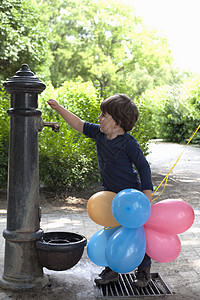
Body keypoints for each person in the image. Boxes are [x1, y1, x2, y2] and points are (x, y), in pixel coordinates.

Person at [47, 94, 153, 287]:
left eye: (104, 115)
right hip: (110, 197)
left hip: (131, 200)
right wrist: (59, 108)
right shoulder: (99, 134)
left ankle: (143, 270)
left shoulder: (128, 143)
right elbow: (78, 124)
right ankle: (112, 269)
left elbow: (143, 167)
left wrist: (146, 195)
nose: (99, 118)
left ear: (117, 123)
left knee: (136, 233)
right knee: (112, 231)